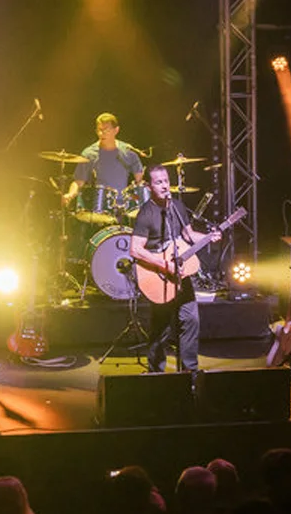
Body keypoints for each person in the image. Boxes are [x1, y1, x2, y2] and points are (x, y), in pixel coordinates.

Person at [128, 163, 220, 374]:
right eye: (158, 182)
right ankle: (156, 373)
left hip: (181, 275)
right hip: (159, 277)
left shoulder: (177, 207)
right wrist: (164, 265)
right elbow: (135, 249)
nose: (164, 186)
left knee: (191, 320)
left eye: (166, 181)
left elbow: (188, 235)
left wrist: (208, 237)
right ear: (149, 186)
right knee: (161, 328)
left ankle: (190, 372)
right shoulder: (146, 213)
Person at [63, 112, 145, 212]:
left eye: (106, 130)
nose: (101, 133)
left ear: (116, 130)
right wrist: (70, 194)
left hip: (123, 207)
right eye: (99, 130)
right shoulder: (89, 153)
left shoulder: (128, 152)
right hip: (98, 206)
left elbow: (139, 181)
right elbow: (78, 181)